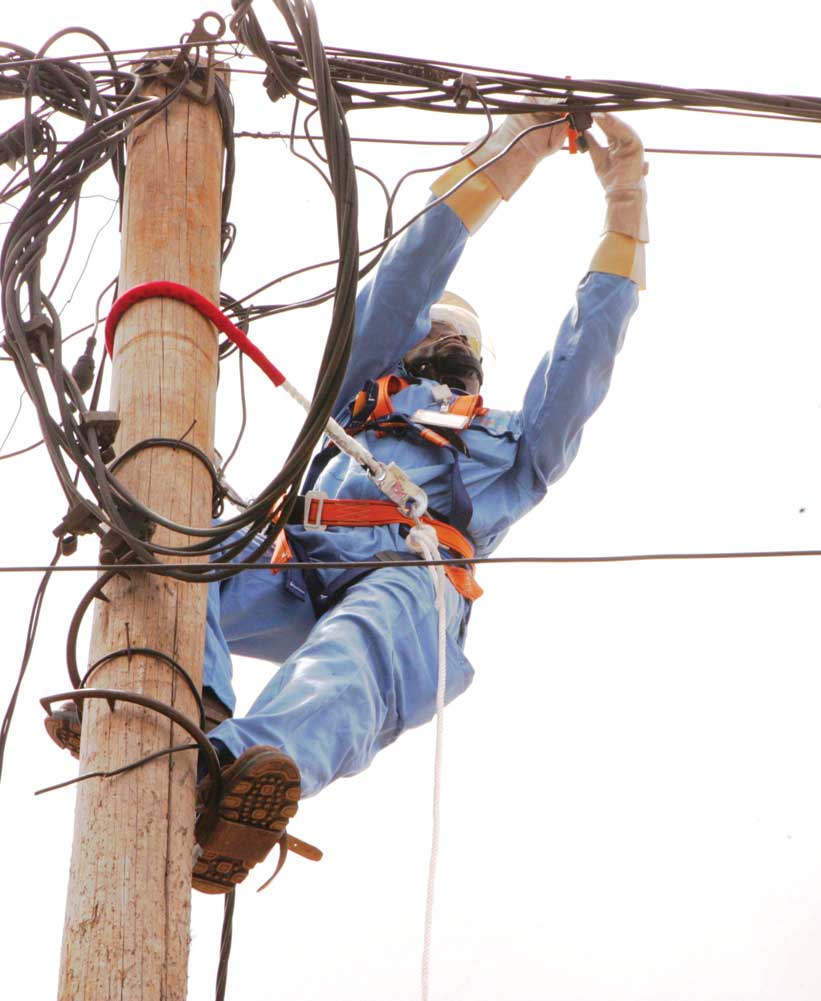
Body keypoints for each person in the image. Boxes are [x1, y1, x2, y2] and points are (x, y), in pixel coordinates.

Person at [56, 108, 648, 893]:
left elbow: (585, 355)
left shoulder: (514, 444)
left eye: (463, 342)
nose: (451, 346)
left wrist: (625, 213)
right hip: (295, 567)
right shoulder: (359, 394)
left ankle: (232, 776)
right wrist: (505, 160)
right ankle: (180, 710)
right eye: (438, 332)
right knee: (176, 549)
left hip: (412, 576)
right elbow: (408, 273)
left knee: (360, 645)